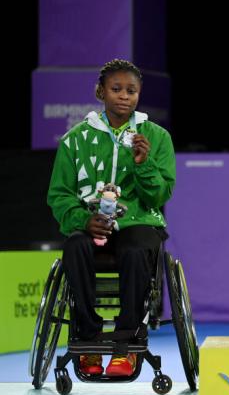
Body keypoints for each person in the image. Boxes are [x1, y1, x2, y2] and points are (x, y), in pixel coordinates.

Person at [47, 59, 176, 377]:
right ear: (100, 92)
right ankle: (88, 338)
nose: (124, 96)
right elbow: (60, 194)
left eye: (131, 90)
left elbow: (159, 195)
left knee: (135, 249)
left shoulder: (156, 137)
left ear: (139, 94)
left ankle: (127, 342)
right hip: (92, 223)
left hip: (139, 222)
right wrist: (81, 220)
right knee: (75, 246)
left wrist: (143, 164)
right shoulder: (75, 140)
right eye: (116, 89)